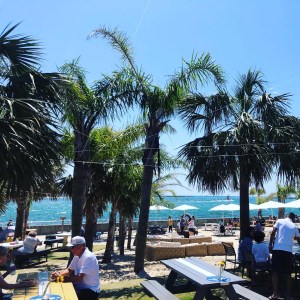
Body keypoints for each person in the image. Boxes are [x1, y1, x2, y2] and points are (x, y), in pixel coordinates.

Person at [269, 212, 300, 300]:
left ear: (287, 216)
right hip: (288, 251)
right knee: (288, 274)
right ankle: (288, 295)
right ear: (293, 219)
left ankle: (275, 294)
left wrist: (270, 245)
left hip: (277, 249)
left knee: (275, 272)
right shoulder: (294, 227)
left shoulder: (279, 221)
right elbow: (299, 240)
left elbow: (273, 233)